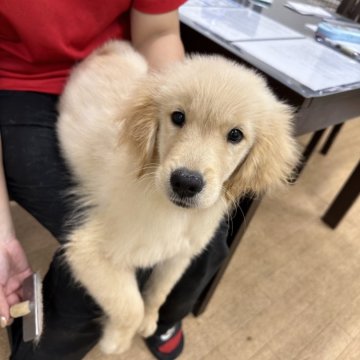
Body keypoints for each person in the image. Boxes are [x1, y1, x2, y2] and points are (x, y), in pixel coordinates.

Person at [0, 1, 229, 359]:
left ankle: (162, 314)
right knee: (104, 273)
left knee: (209, 242)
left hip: (122, 67)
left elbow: (159, 32)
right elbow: (92, 252)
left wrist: (175, 114)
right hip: (17, 85)